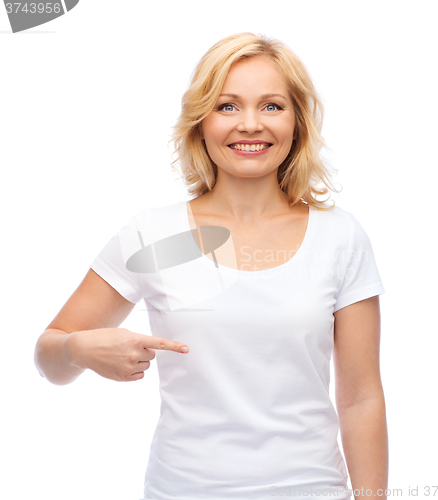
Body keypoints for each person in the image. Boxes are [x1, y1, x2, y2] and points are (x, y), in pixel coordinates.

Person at [34, 32, 388, 500]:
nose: (249, 124)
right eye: (227, 106)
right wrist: (79, 349)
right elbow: (49, 356)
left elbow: (361, 399)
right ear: (200, 122)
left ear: (298, 123)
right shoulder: (153, 234)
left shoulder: (339, 236)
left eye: (272, 106)